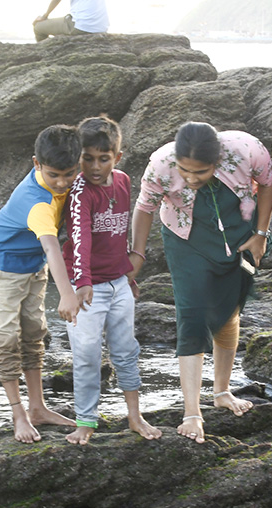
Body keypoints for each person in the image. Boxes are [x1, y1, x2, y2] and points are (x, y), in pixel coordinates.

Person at [131, 122, 272, 444]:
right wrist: (137, 253)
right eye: (186, 171)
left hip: (240, 232)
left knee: (229, 312)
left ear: (219, 159)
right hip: (187, 239)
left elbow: (268, 183)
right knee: (192, 315)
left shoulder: (245, 149)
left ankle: (222, 391)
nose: (192, 178)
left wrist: (261, 235)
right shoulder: (161, 164)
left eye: (202, 171)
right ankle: (192, 412)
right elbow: (144, 208)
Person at [0, 125, 82, 444]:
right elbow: (52, 246)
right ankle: (18, 413)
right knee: (7, 336)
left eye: (70, 173)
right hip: (3, 264)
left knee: (34, 330)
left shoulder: (66, 175)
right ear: (36, 163)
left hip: (33, 261)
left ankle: (38, 407)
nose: (62, 182)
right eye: (54, 175)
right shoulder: (36, 202)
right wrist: (67, 294)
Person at [62, 116, 162, 445]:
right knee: (87, 353)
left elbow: (119, 228)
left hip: (118, 282)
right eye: (87, 158)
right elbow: (80, 240)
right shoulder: (79, 193)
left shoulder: (122, 181)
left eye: (103, 159)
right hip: (84, 286)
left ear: (117, 158)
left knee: (126, 350)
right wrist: (82, 284)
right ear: (77, 156)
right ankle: (86, 421)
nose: (94, 166)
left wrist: (132, 260)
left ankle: (134, 415)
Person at [33, 0, 109, 41]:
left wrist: (45, 16)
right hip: (101, 27)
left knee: (38, 27)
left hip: (82, 26)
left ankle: (46, 57)